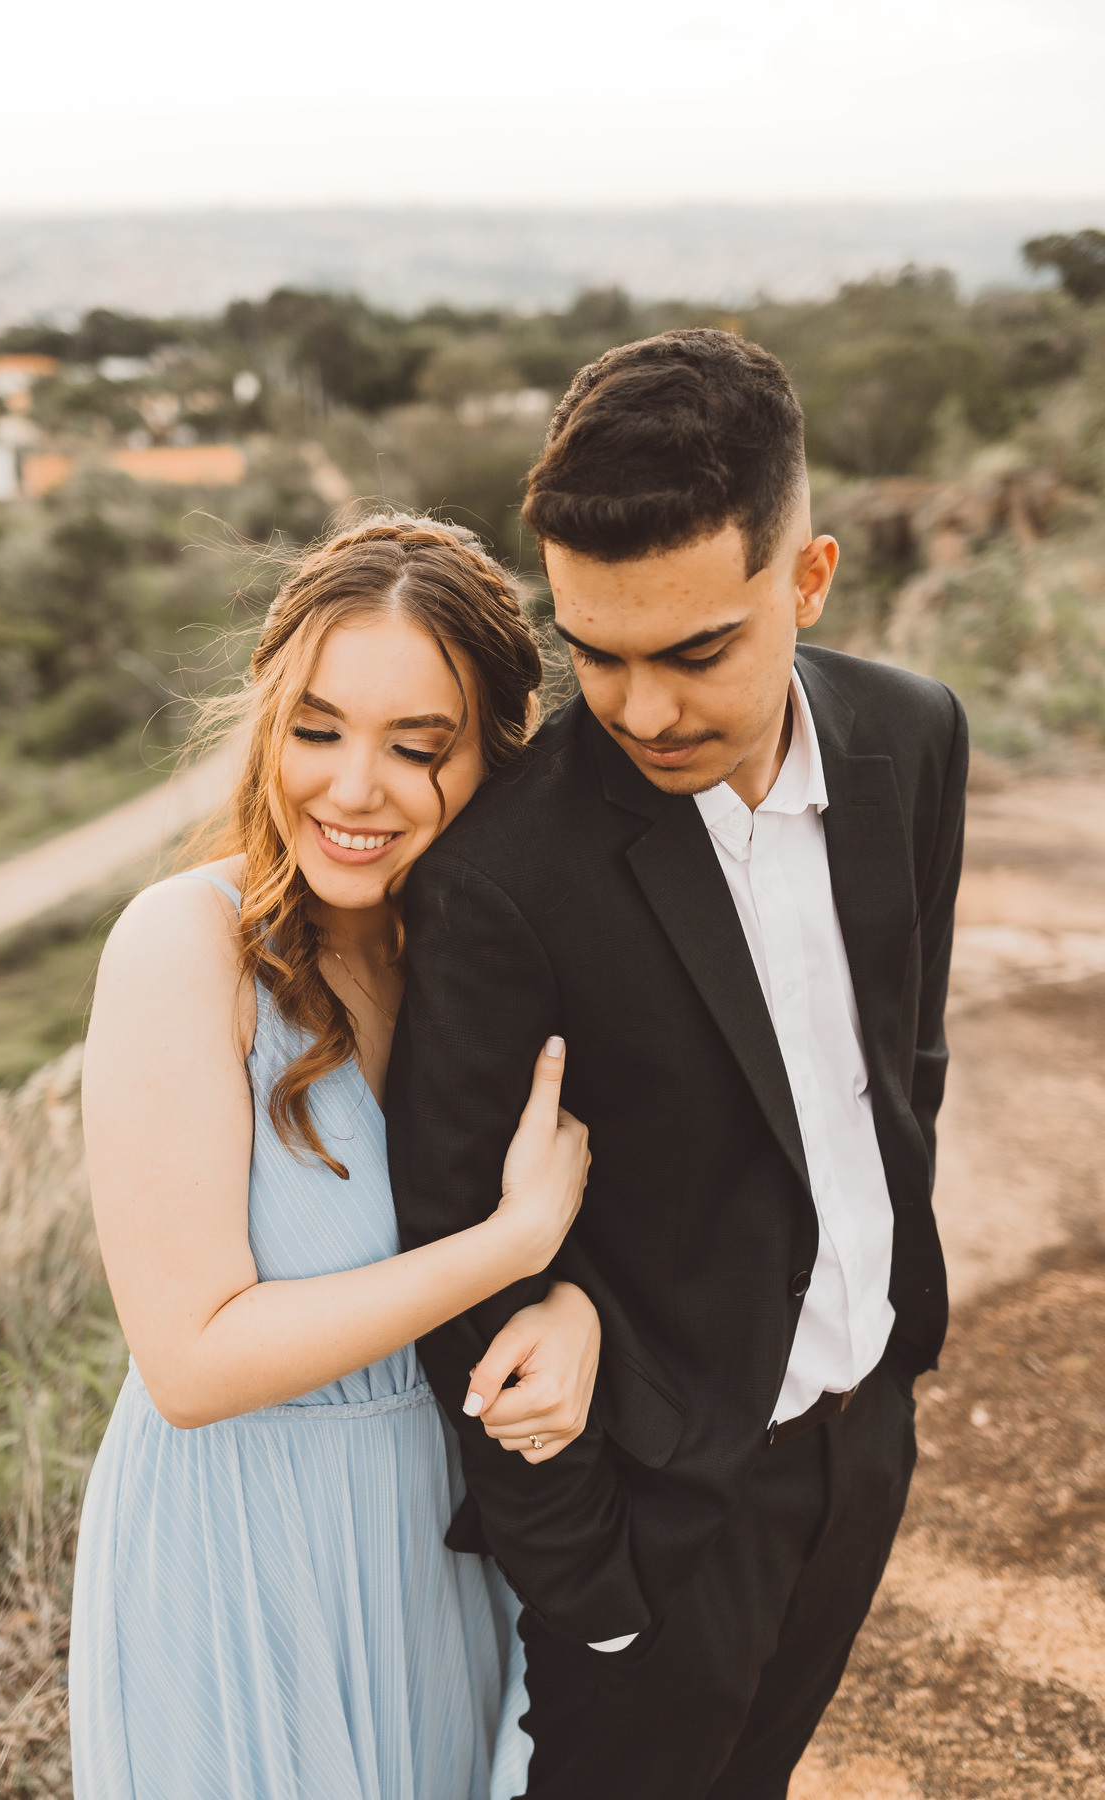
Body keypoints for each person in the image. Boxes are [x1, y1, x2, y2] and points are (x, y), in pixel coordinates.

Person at [387, 328, 968, 1798]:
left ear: (809, 579)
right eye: (596, 653)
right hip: (659, 1523)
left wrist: (885, 1371)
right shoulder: (502, 878)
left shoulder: (915, 737)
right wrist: (593, 1602)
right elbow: (464, 1262)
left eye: (695, 650)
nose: (640, 709)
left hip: (862, 1445)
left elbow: (904, 1063)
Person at [69, 515, 604, 1800]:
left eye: (417, 748)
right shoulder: (182, 949)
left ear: (494, 758)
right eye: (316, 730)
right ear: (266, 722)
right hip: (239, 1555)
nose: (352, 790)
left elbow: (617, 1215)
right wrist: (508, 1252)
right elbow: (191, 1360)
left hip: (445, 1543)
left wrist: (576, 1304)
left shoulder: (490, 967)